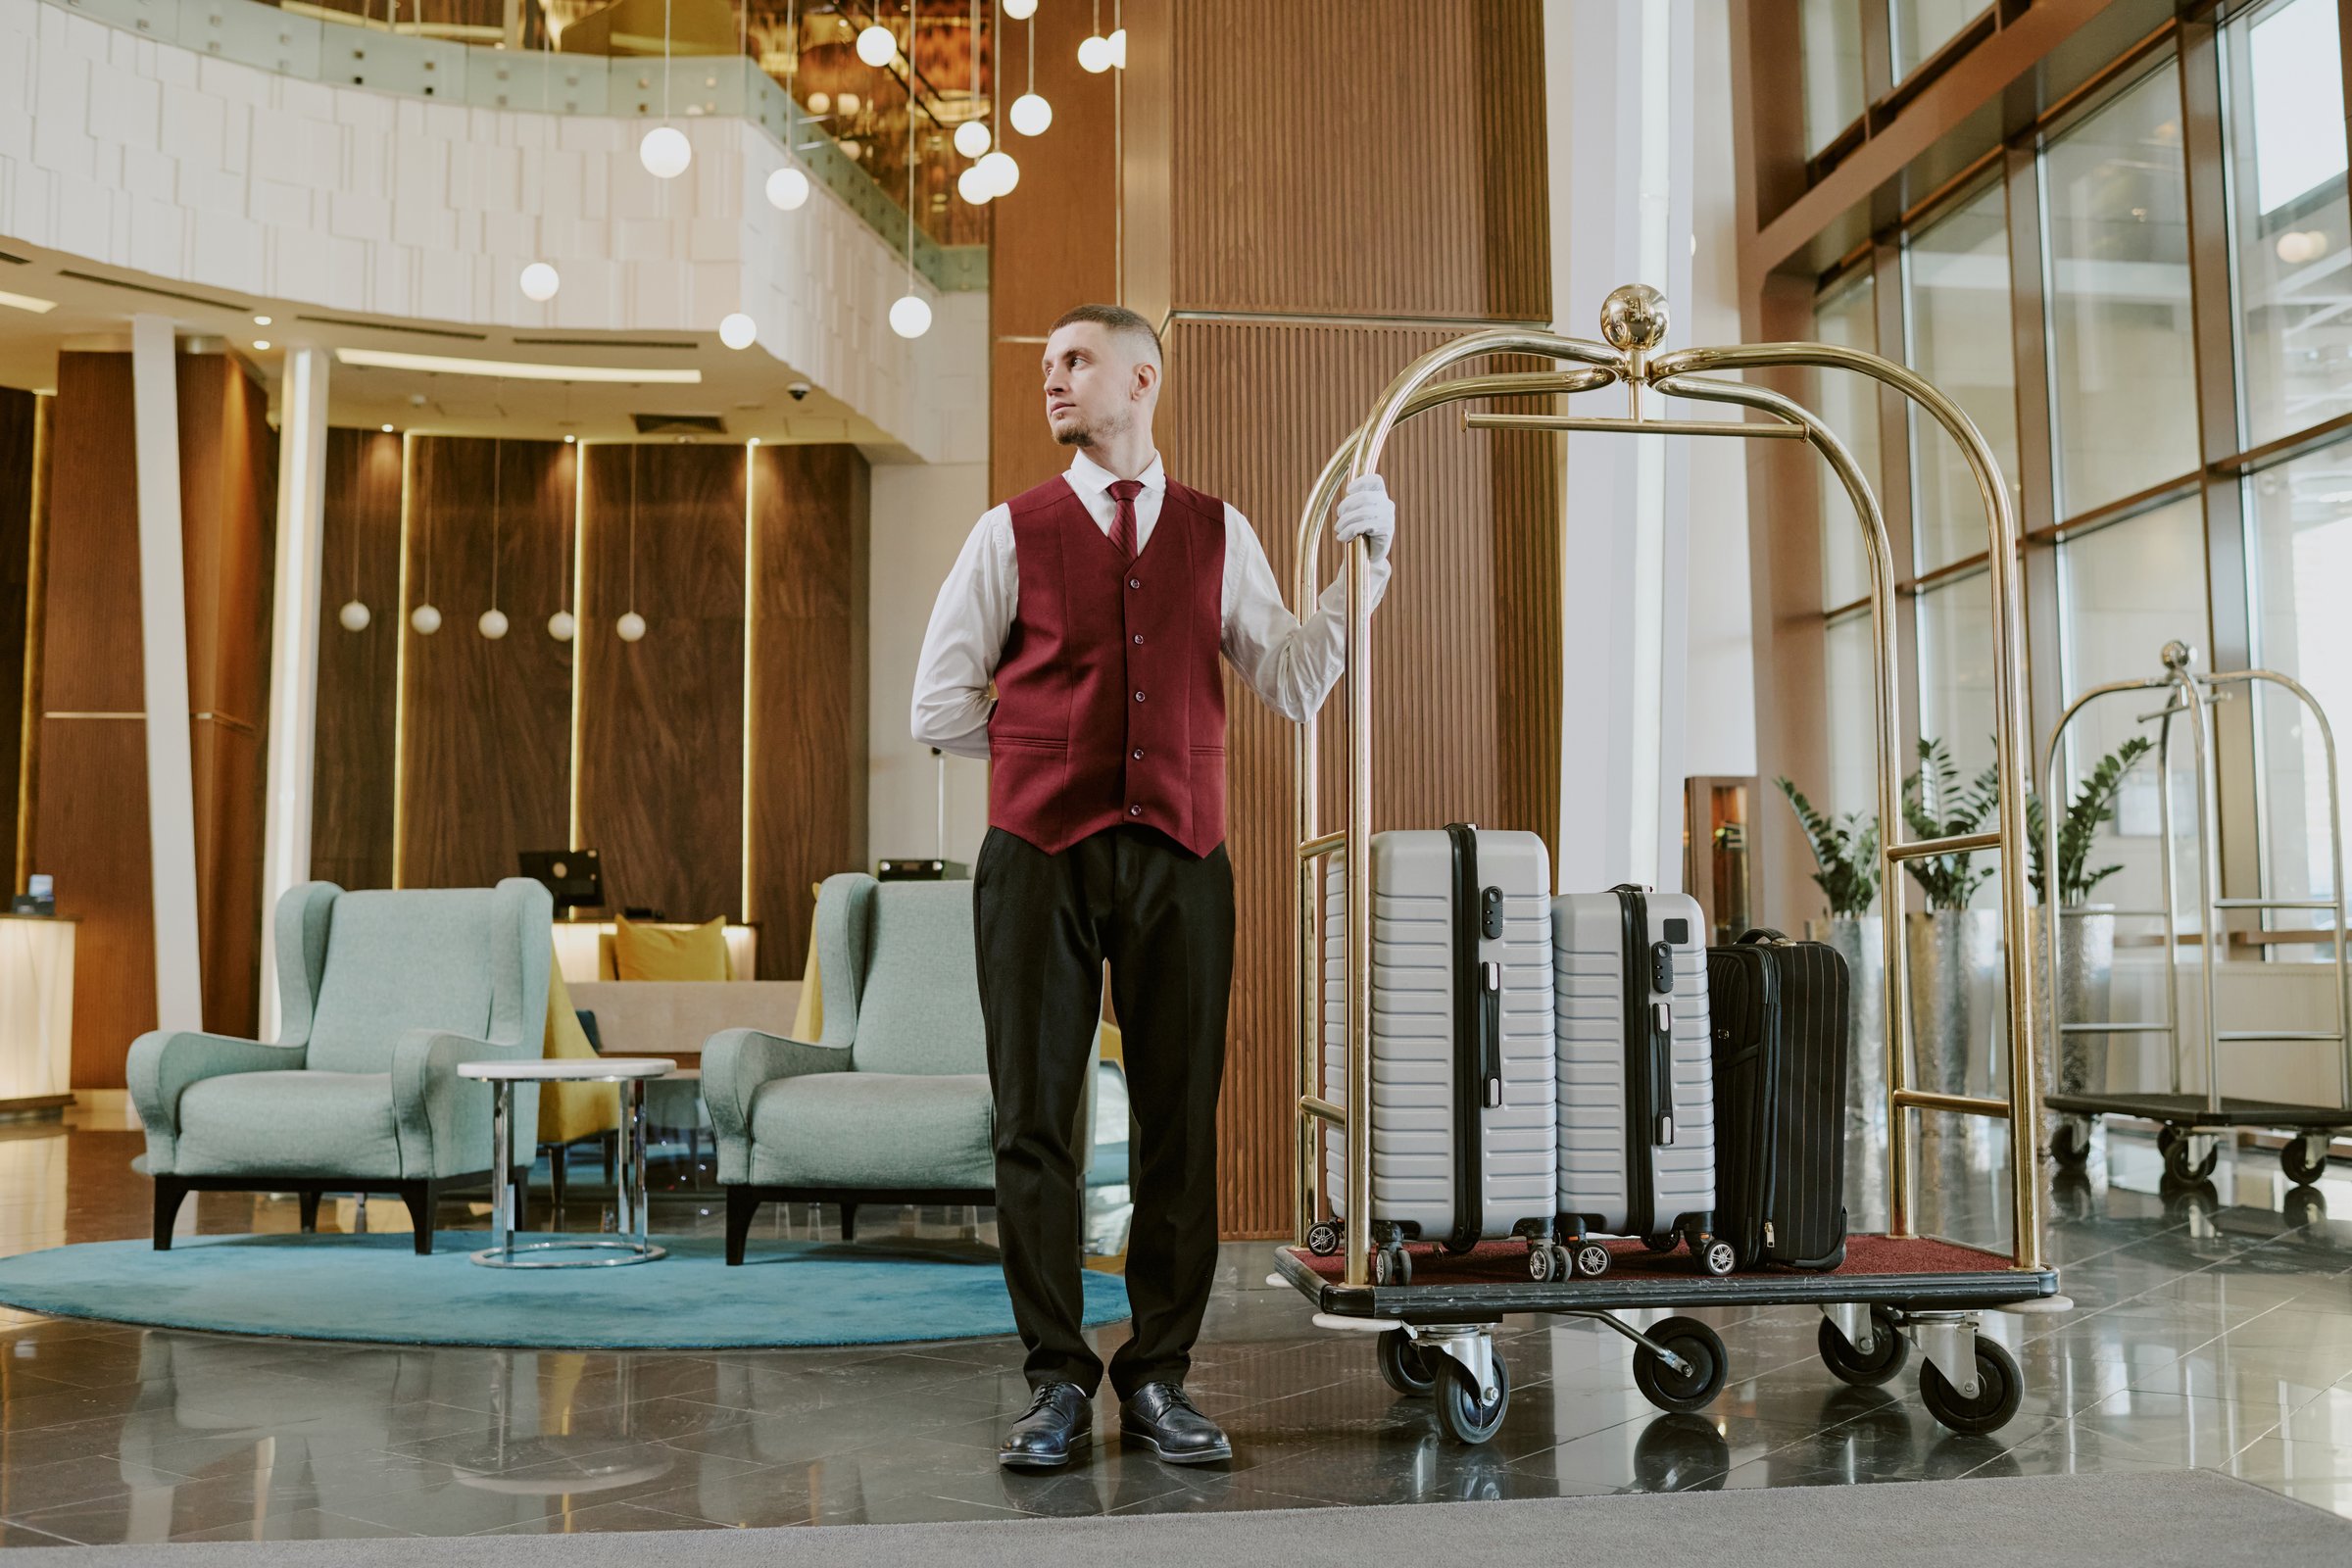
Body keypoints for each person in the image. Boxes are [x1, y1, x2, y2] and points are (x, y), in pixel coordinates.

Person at [910, 303, 1395, 1470]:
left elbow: (1289, 678)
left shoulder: (1216, 531)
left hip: (1184, 856)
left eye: (1074, 360)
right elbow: (938, 707)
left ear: (1142, 378)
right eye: (1046, 364)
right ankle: (1056, 1383)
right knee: (1036, 1124)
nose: (1054, 380)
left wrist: (1363, 573)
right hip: (1038, 857)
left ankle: (1162, 1376)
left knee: (1183, 1121)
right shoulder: (1008, 532)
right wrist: (1047, 762)